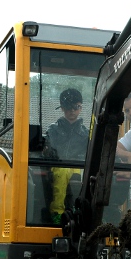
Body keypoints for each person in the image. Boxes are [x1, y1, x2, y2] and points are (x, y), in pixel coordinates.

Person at [44, 88, 89, 223]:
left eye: (76, 107)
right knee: (62, 172)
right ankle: (57, 211)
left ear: (80, 108)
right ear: (62, 108)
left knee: (84, 175)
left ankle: (80, 210)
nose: (72, 111)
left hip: (78, 166)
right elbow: (49, 151)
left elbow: (88, 153)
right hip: (59, 166)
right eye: (68, 107)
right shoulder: (53, 130)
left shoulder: (86, 133)